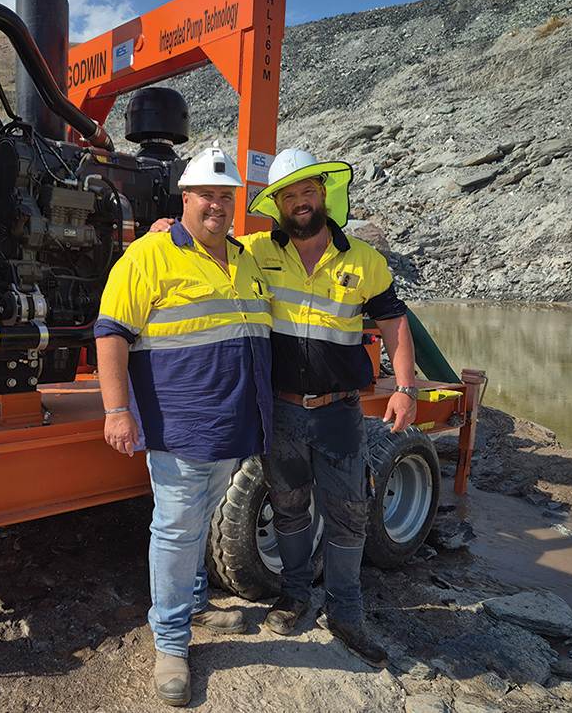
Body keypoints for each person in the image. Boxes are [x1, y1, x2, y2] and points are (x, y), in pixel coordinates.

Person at [149, 148, 417, 668]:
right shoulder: (252, 251)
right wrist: (168, 230)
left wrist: (404, 387)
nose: (299, 202)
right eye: (288, 195)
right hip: (281, 411)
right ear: (276, 204)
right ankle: (295, 596)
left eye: (307, 192)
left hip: (340, 411)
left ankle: (346, 611)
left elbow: (394, 323)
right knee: (290, 508)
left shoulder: (364, 259)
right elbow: (203, 241)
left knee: (349, 514)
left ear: (324, 195)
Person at [94, 146, 274, 706]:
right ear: (185, 199)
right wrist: (117, 410)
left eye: (226, 197)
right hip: (180, 425)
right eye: (207, 196)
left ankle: (195, 603)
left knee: (197, 519)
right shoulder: (149, 254)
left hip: (232, 425)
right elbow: (110, 332)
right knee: (175, 530)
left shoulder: (244, 257)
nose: (217, 206)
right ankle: (171, 644)